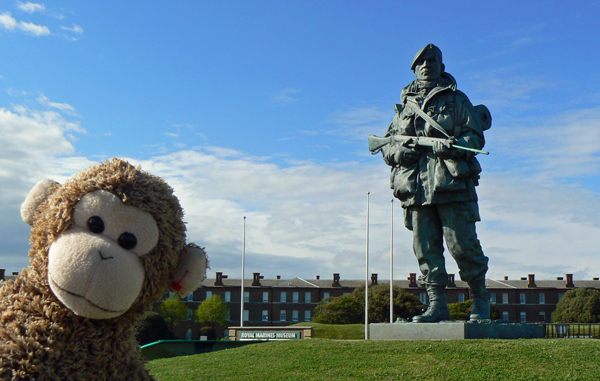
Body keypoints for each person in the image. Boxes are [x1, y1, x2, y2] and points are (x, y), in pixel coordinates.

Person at [380, 44, 490, 323]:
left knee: (463, 247)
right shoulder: (404, 107)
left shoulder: (457, 100)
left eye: (433, 61)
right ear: (415, 69)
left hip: (450, 185)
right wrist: (398, 153)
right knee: (425, 249)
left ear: (442, 66)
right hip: (416, 189)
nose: (427, 65)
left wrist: (452, 148)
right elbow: (387, 145)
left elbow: (475, 139)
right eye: (421, 62)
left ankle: (480, 302)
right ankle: (436, 305)